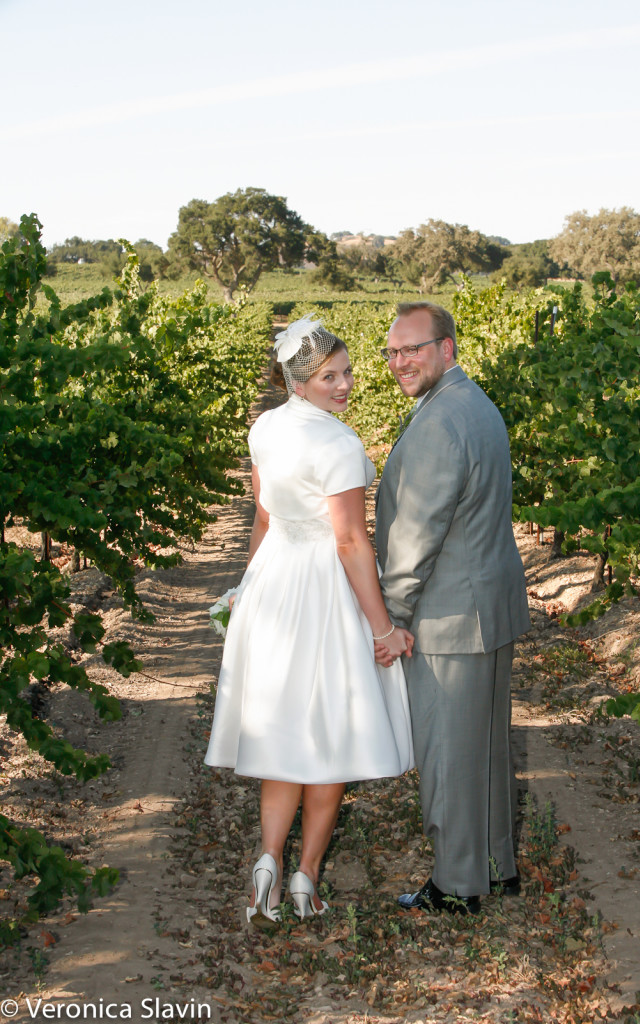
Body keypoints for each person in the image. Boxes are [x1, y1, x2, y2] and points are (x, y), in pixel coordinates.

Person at [204, 314, 414, 925]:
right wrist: (381, 629)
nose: (345, 385)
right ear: (300, 381)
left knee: (283, 734)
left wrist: (245, 587)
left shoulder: (265, 427)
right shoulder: (340, 444)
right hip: (321, 589)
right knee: (326, 734)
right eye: (330, 376)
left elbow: (264, 518)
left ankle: (267, 862)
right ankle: (306, 877)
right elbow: (351, 543)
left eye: (347, 372)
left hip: (273, 583)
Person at [374, 301, 530, 915]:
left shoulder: (440, 422)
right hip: (485, 608)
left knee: (448, 759)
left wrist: (393, 618)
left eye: (412, 348)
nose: (400, 361)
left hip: (448, 619)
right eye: (392, 352)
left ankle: (457, 885)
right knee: (484, 752)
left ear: (447, 348)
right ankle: (495, 866)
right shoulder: (475, 404)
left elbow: (416, 536)